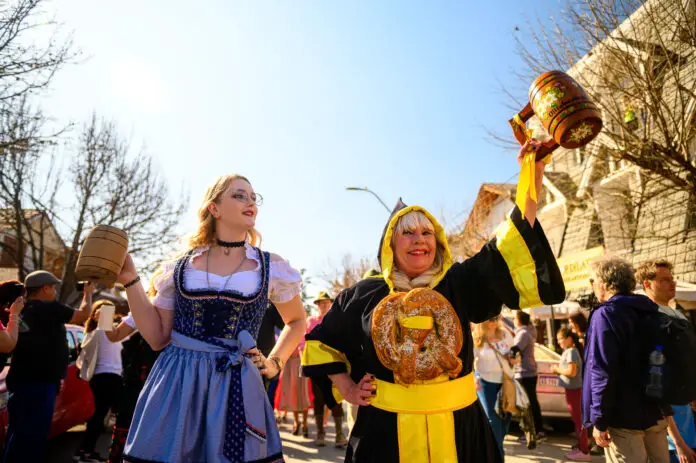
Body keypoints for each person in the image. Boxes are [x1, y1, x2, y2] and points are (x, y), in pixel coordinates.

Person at [302, 140, 565, 462]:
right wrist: (347, 387)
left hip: (460, 429)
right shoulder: (364, 295)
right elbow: (321, 343)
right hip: (385, 432)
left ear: (438, 241)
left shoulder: (460, 281)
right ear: (390, 244)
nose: (419, 240)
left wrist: (531, 175)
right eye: (408, 233)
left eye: (426, 233)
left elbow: (511, 242)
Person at [120, 174, 307, 463]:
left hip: (236, 382)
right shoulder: (181, 267)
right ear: (214, 208)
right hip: (179, 380)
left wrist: (274, 363)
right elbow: (157, 338)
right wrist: (130, 280)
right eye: (240, 195)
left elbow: (296, 321)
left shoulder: (271, 266)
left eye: (254, 197)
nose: (251, 203)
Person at [583, 257, 670, 463]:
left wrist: (599, 420)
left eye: (592, 281)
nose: (592, 286)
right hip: (654, 411)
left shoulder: (606, 314)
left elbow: (602, 371)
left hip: (622, 418)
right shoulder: (651, 311)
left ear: (604, 283)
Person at [3, 271, 93, 463]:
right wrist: (88, 293)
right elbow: (83, 315)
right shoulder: (49, 308)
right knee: (34, 438)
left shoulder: (21, 309)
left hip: (19, 381)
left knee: (17, 434)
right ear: (45, 288)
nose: (54, 291)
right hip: (40, 384)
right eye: (53, 287)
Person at [636, 259, 696, 463]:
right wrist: (677, 441)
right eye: (664, 280)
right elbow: (654, 380)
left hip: (686, 414)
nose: (673, 283)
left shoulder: (678, 315)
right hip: (668, 423)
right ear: (647, 284)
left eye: (672, 279)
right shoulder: (650, 320)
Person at [74, 300, 124, 462]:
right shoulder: (97, 333)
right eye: (101, 312)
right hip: (108, 377)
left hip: (106, 377)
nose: (105, 314)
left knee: (99, 415)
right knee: (105, 415)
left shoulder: (108, 332)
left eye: (108, 311)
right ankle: (86, 451)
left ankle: (85, 451)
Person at [303, 291, 348, 448]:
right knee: (319, 399)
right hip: (315, 366)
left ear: (330, 304)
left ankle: (339, 435)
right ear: (317, 305)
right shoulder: (310, 321)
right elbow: (303, 342)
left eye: (327, 302)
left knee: (336, 397)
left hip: (334, 364)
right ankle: (320, 434)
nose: (324, 305)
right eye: (321, 302)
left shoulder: (337, 320)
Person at [472, 315, 516, 456]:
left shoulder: (505, 333)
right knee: (493, 419)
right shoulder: (477, 337)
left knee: (506, 416)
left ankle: (495, 445)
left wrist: (515, 359)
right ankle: (497, 454)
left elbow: (513, 352)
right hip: (486, 382)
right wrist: (474, 378)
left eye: (496, 318)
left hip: (506, 381)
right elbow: (470, 360)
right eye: (490, 319)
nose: (494, 322)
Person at [553, 327, 590, 461]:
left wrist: (557, 369)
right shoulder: (569, 351)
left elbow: (572, 372)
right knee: (577, 419)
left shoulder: (571, 352)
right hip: (572, 389)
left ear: (569, 339)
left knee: (579, 420)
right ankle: (581, 447)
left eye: (561, 339)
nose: (559, 342)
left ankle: (584, 451)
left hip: (575, 390)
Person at [510, 310, 545, 440]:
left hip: (525, 373)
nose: (513, 321)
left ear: (519, 320)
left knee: (527, 403)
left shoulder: (523, 333)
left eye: (514, 318)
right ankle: (537, 431)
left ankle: (534, 432)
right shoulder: (527, 332)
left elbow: (514, 350)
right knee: (530, 402)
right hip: (528, 372)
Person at [277, 341, 311, 438]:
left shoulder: (304, 331)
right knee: (292, 395)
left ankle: (305, 423)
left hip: (302, 362)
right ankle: (296, 422)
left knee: (304, 395)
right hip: (289, 363)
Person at [0, 280, 26, 353]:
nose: (24, 301)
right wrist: (14, 313)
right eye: (23, 298)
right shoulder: (10, 315)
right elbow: (8, 345)